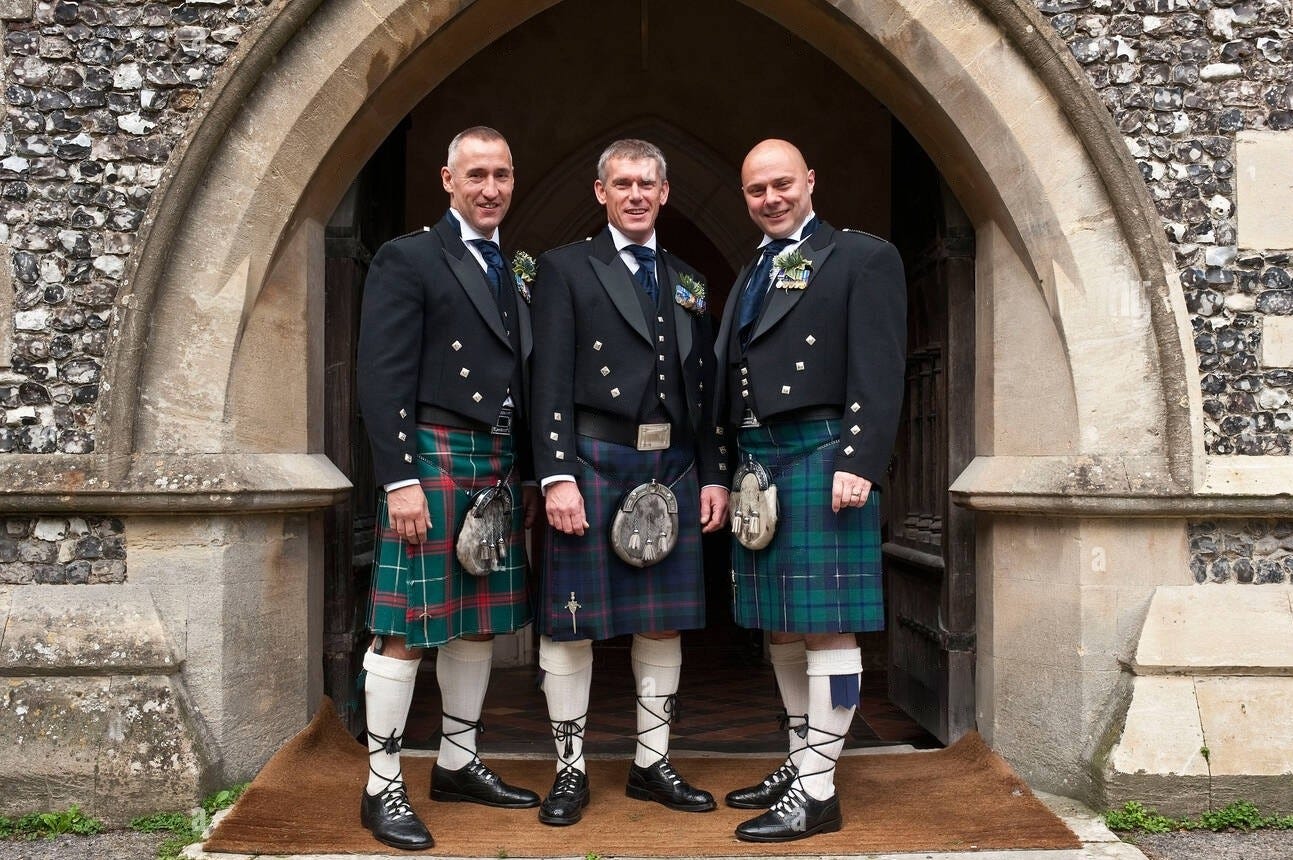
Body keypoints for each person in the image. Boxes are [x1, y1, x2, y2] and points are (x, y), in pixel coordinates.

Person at [528, 139, 729, 826]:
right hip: (591, 460)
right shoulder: (565, 268)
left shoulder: (687, 279)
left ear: (665, 193)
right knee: (570, 628)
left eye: (647, 183)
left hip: (669, 467)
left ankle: (651, 763)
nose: (636, 194)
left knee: (662, 623)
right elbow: (547, 377)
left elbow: (701, 390)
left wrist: (711, 473)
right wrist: (556, 476)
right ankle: (569, 770)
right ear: (600, 192)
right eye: (623, 184)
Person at [714, 138, 906, 842]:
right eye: (756, 189)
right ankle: (800, 761)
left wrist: (859, 459)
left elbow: (879, 368)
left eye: (781, 184)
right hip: (761, 462)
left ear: (810, 181)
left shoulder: (860, 256)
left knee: (827, 626)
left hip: (824, 455)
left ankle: (818, 790)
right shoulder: (753, 270)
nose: (770, 198)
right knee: (784, 623)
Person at [354, 126, 540, 851]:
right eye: (476, 175)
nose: (489, 188)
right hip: (431, 455)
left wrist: (520, 468)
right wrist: (399, 479)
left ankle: (459, 763)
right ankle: (382, 785)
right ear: (447, 179)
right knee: (404, 630)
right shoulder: (409, 257)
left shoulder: (513, 268)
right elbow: (381, 373)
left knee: (479, 621)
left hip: (493, 461)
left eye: (501, 174)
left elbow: (523, 378)